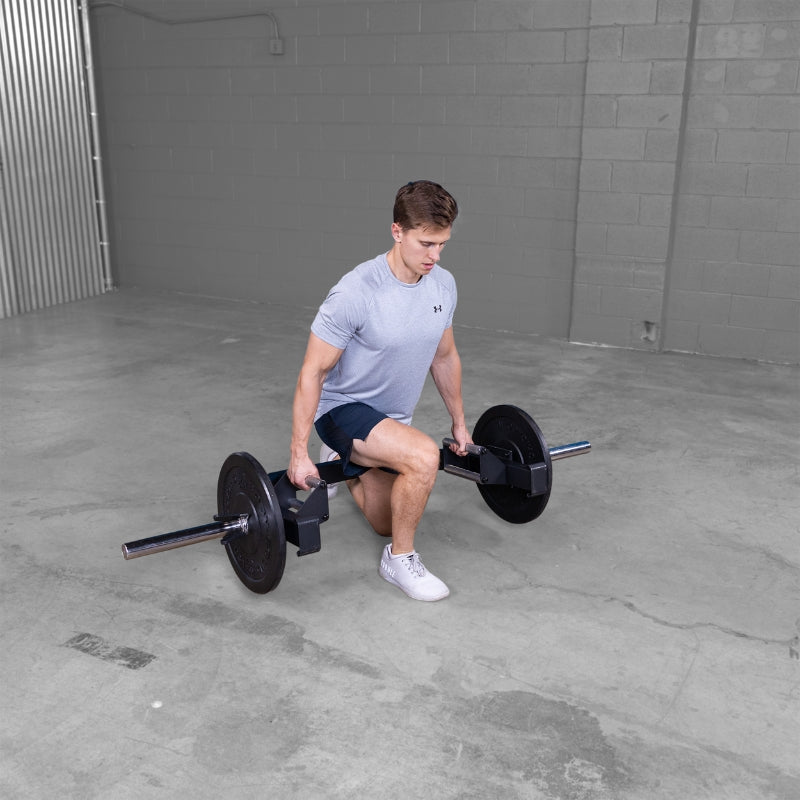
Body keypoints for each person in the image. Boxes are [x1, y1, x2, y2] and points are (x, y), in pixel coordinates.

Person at [287, 180, 471, 601]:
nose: (435, 255)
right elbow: (312, 372)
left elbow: (444, 357)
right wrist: (297, 454)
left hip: (390, 420)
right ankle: (400, 559)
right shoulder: (356, 292)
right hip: (343, 409)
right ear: (397, 231)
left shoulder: (443, 285)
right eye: (426, 243)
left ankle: (344, 462)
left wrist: (461, 424)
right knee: (424, 457)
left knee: (389, 517)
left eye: (442, 244)